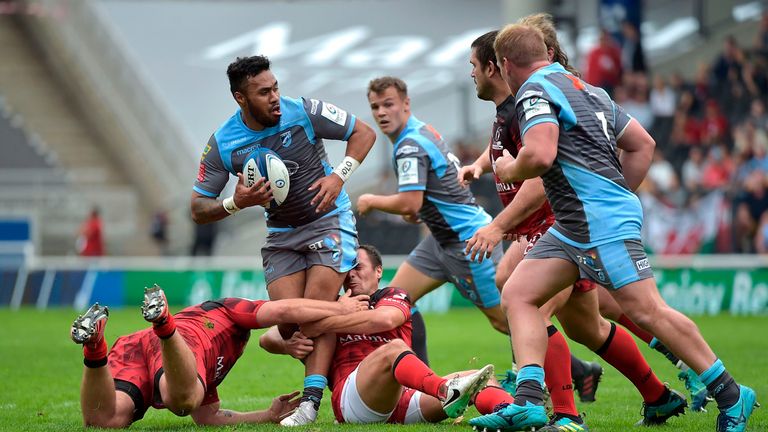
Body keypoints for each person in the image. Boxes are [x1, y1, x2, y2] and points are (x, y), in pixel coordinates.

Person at [471, 24, 757, 432]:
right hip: (573, 225)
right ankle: (531, 401)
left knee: (646, 310)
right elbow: (643, 143)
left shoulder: (532, 90)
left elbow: (538, 155)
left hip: (597, 220)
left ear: (505, 64)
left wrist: (509, 167)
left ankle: (731, 394)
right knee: (518, 293)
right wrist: (620, 190)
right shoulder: (589, 90)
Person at [190, 55, 376, 426]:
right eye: (263, 92)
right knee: (292, 325)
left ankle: (310, 402)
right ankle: (308, 349)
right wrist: (235, 202)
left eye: (275, 87)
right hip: (281, 235)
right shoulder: (224, 142)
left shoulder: (303, 111)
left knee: (317, 311)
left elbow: (364, 133)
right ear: (241, 99)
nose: (275, 97)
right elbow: (197, 207)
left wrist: (339, 176)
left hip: (328, 221)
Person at [260, 245, 512, 424]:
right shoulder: (331, 303)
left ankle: (511, 413)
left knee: (482, 378)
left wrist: (324, 324)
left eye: (358, 267)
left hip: (402, 399)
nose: (351, 274)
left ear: (379, 271)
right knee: (393, 349)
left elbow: (386, 318)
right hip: (353, 400)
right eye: (347, 269)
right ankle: (447, 391)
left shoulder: (392, 295)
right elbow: (269, 336)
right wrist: (287, 345)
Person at [69, 285, 370, 428]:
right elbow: (283, 310)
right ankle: (164, 322)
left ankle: (95, 347)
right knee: (182, 400)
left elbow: (208, 417)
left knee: (103, 422)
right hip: (182, 339)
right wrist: (339, 308)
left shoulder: (215, 366)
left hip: (138, 346)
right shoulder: (227, 308)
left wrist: (267, 415)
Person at [358, 77, 505, 364]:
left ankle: (573, 370)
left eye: (388, 104)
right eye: (375, 107)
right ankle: (420, 385)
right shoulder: (421, 131)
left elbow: (409, 201)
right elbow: (427, 194)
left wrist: (370, 200)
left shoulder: (409, 145)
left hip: (469, 243)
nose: (381, 113)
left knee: (509, 321)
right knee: (396, 302)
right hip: (439, 241)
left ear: (406, 104)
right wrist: (421, 209)